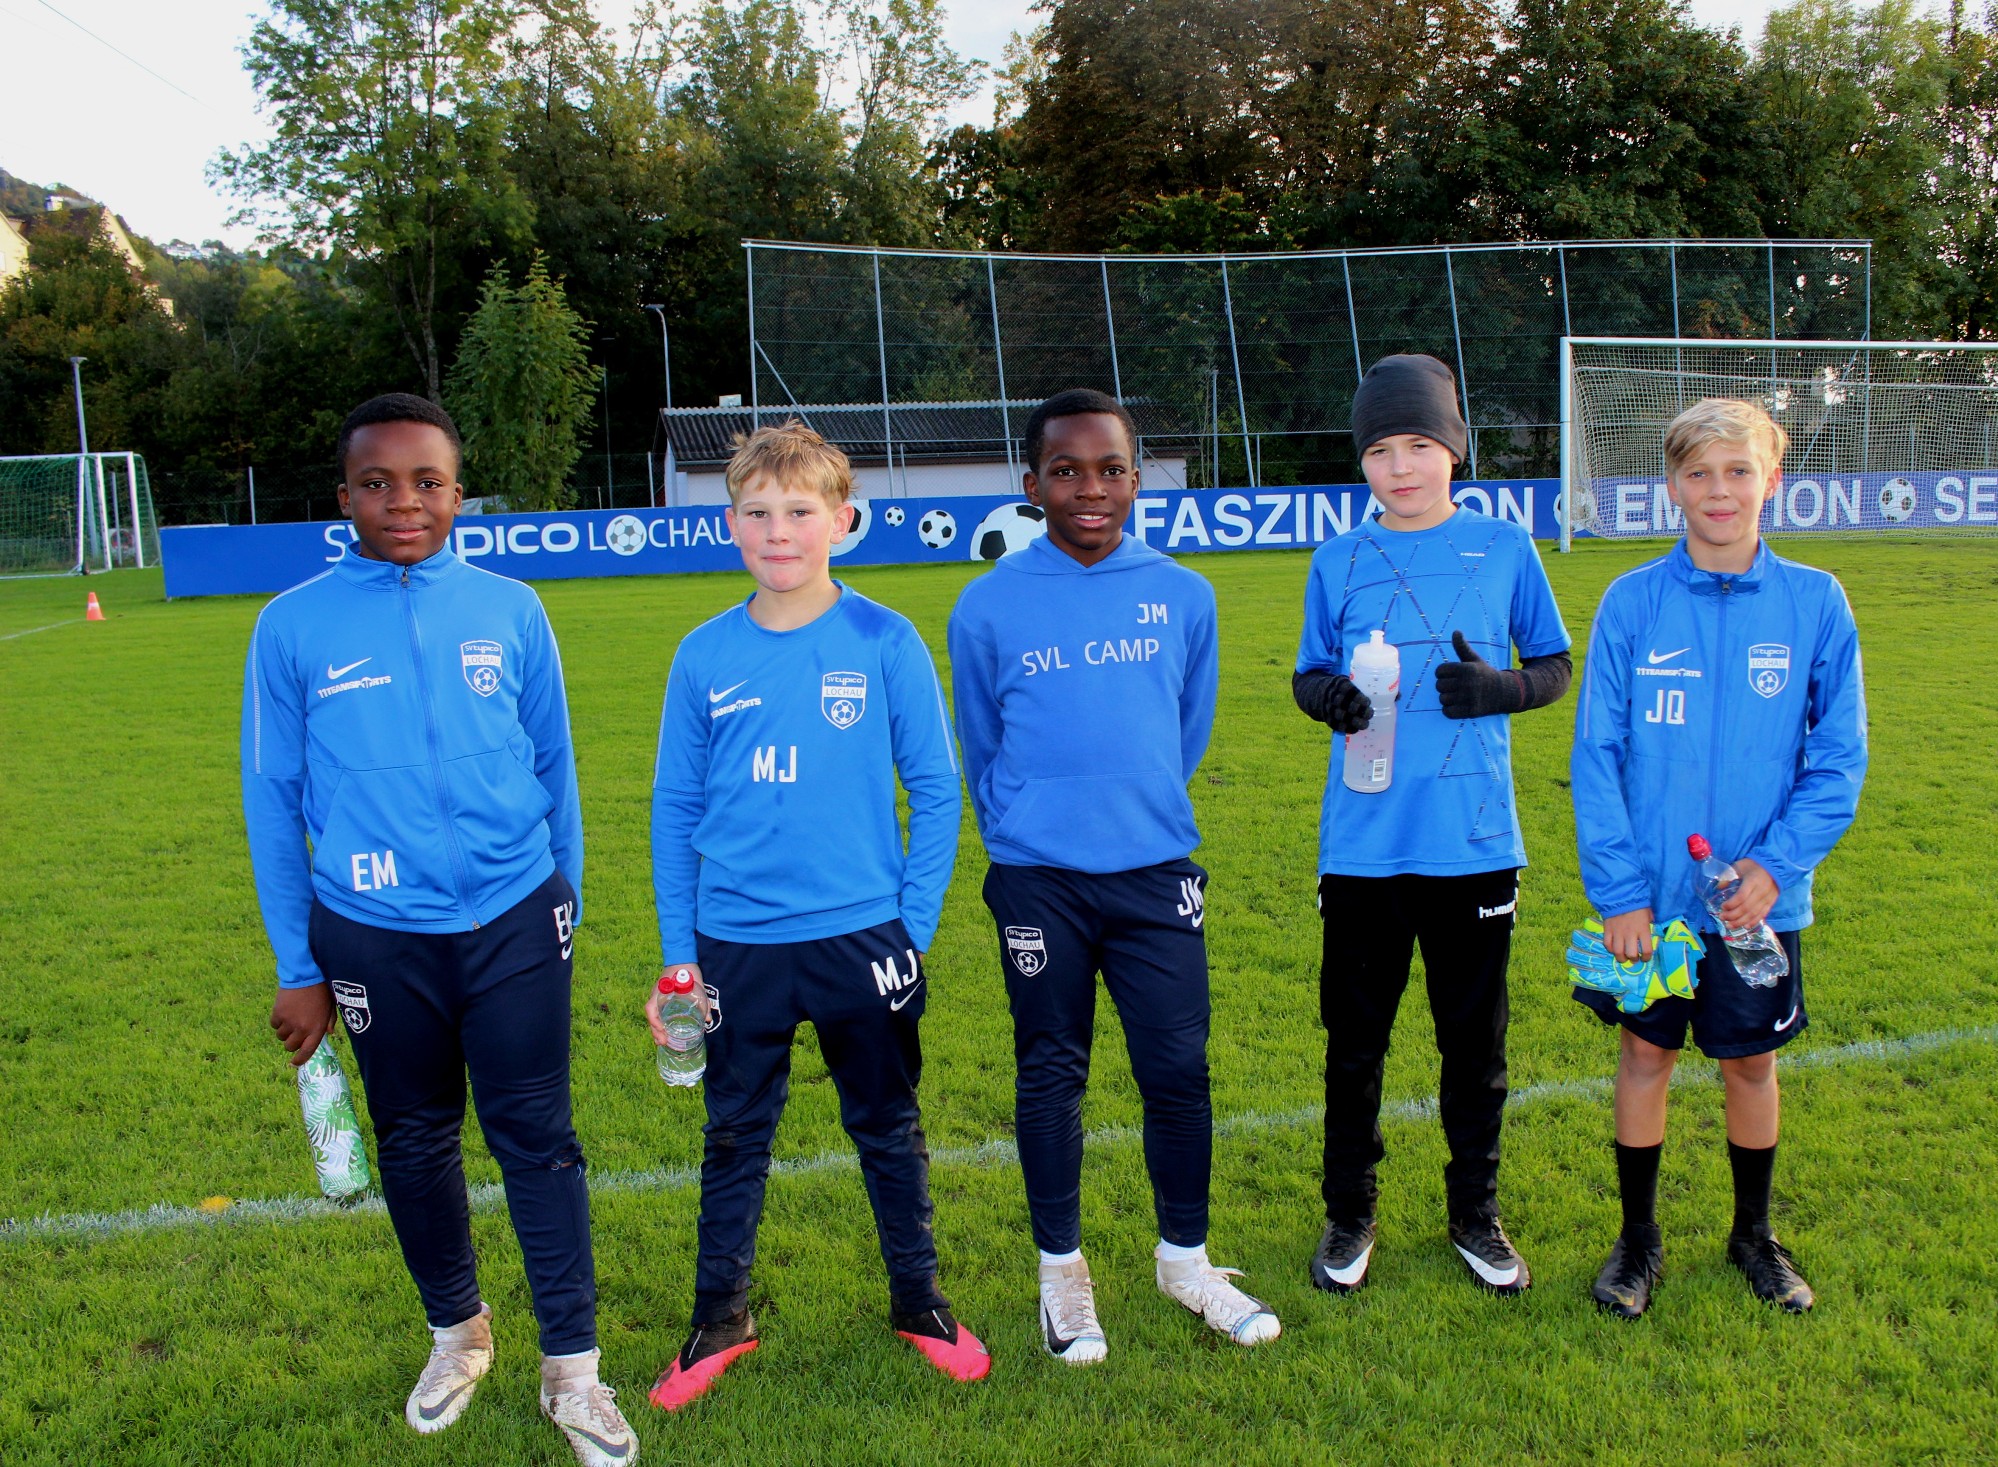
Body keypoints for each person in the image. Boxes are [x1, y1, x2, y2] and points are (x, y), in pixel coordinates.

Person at [241, 393, 636, 1466]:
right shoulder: (291, 626)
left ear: (460, 492)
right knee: (415, 1141)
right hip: (373, 932)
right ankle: (457, 1334)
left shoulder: (511, 608)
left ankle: (574, 1372)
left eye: (426, 481)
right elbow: (272, 801)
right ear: (344, 498)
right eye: (377, 483)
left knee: (538, 1138)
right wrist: (299, 965)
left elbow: (554, 760)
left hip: (514, 917)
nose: (403, 501)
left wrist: (565, 894)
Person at [643, 422, 985, 1406]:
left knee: (887, 1126)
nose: (777, 531)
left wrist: (911, 929)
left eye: (798, 511)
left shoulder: (884, 639)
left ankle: (919, 1301)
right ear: (731, 524)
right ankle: (720, 1318)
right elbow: (675, 810)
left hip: (861, 940)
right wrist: (679, 957)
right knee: (733, 1135)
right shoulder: (704, 654)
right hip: (736, 946)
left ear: (841, 520)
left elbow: (937, 788)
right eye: (756, 512)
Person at [947, 388, 1279, 1365]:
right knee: (1052, 1071)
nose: (1089, 489)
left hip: (1153, 871)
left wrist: (1135, 806)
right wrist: (1026, 829)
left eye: (1110, 469)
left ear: (1137, 480)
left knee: (1176, 1069)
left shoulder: (1183, 594)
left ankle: (1186, 1261)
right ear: (1032, 484)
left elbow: (1186, 727)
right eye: (1066, 471)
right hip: (1038, 879)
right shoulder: (988, 603)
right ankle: (1062, 1273)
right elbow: (980, 741)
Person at [1569, 396, 1867, 1318]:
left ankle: (1753, 1234)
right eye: (1698, 472)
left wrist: (1775, 868)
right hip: (1652, 902)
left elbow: (1839, 758)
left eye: (1739, 470)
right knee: (1643, 1055)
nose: (1719, 489)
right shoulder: (1633, 601)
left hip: (1755, 905)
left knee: (1751, 1065)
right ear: (1673, 486)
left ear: (1771, 479)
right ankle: (1638, 1239)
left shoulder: (1815, 601)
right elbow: (1597, 754)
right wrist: (1620, 891)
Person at [1291, 353, 1573, 1298]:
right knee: (1354, 1044)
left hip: (1474, 843)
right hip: (1364, 846)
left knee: (1474, 1048)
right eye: (1380, 449)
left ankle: (1474, 1213)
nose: (1400, 466)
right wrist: (1327, 697)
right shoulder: (1337, 559)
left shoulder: (1504, 548)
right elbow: (1308, 673)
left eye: (1418, 444)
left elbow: (1554, 663)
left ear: (1453, 448)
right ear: (1362, 461)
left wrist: (1502, 688)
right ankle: (1350, 1212)